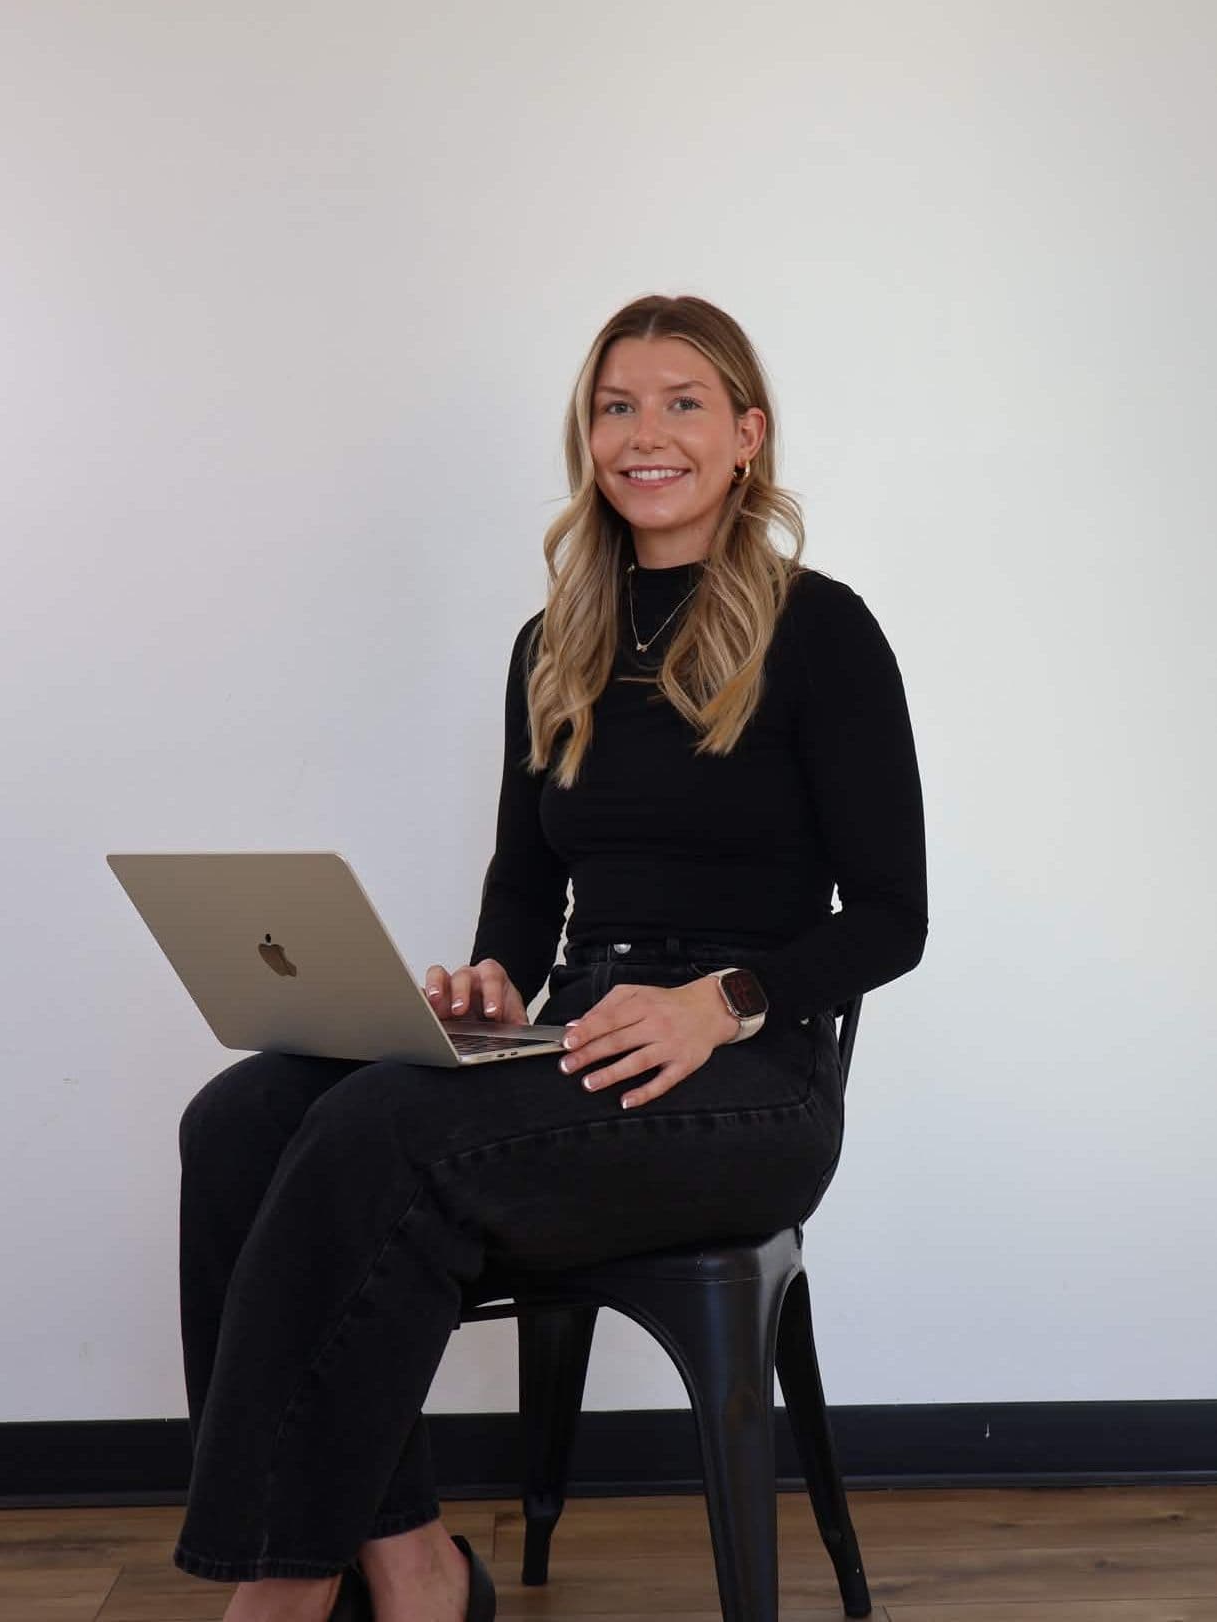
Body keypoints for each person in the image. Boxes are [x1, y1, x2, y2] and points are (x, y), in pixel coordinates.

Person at [173, 293, 928, 1622]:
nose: (644, 433)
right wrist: (489, 983)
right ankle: (409, 1565)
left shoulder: (824, 632)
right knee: (243, 1114)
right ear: (585, 436)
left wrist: (724, 1002)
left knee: (387, 1127)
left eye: (682, 402)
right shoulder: (554, 644)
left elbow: (889, 916)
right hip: (576, 1036)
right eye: (613, 404)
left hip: (746, 1076)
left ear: (745, 435)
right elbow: (526, 890)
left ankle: (278, 1593)